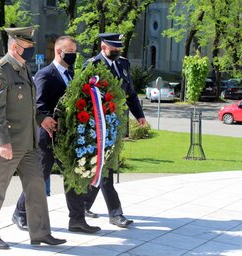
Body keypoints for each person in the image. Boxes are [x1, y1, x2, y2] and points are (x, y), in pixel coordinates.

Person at [0, 26, 66, 250]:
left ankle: (41, 233)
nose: (30, 50)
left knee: (37, 186)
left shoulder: (24, 68)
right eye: (27, 47)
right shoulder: (0, 71)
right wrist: (3, 142)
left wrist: (42, 119)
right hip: (7, 142)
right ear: (15, 46)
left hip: (28, 143)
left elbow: (27, 106)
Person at [12, 35, 101, 234]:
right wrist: (46, 119)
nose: (74, 56)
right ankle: (20, 213)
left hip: (68, 139)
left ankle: (77, 220)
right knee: (38, 178)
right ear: (59, 52)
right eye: (71, 52)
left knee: (73, 176)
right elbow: (38, 105)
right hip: (48, 138)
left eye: (76, 52)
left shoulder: (72, 75)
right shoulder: (45, 74)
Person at [82, 33, 148, 228]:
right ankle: (115, 213)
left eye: (119, 49)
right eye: (114, 49)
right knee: (106, 167)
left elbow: (131, 94)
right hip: (98, 127)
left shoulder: (123, 65)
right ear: (103, 47)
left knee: (102, 166)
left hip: (116, 124)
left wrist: (139, 115)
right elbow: (84, 96)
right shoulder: (92, 65)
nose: (118, 52)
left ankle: (84, 204)